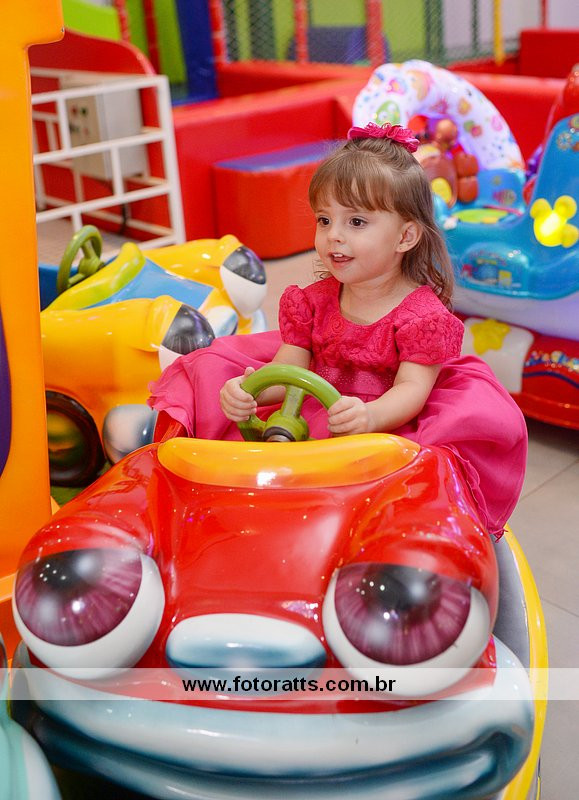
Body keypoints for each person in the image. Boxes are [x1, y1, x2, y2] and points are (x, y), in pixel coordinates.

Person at [148, 122, 527, 539]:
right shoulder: (311, 303)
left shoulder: (422, 318)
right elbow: (289, 370)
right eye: (325, 220)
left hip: (381, 428)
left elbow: (411, 390)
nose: (334, 237)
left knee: (410, 490)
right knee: (217, 391)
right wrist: (248, 392)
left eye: (356, 222)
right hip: (311, 414)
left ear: (405, 236)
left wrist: (370, 416)